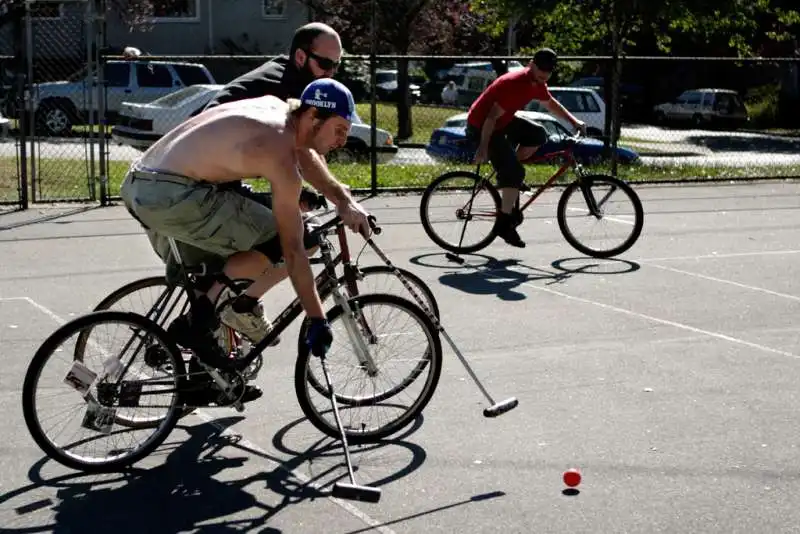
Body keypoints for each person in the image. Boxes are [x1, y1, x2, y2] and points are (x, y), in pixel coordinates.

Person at [119, 78, 371, 406]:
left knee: (224, 260)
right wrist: (318, 319)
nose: (343, 139)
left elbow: (304, 154)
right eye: (339, 128)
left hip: (142, 184)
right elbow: (293, 250)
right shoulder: (279, 154)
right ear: (312, 117)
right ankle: (205, 320)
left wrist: (343, 199)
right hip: (172, 194)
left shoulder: (277, 111)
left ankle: (200, 378)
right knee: (286, 239)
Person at [465, 48, 587, 248]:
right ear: (531, 64)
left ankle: (508, 175)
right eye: (540, 71)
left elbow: (549, 103)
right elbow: (489, 118)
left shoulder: (537, 83)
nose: (544, 76)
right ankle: (503, 224)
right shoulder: (515, 84)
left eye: (548, 72)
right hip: (481, 126)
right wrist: (483, 148)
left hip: (502, 122)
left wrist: (574, 121)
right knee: (514, 172)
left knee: (537, 134)